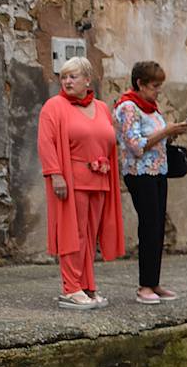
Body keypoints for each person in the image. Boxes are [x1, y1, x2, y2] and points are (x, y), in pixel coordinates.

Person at [38, 56, 124, 310]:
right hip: (70, 181)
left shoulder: (101, 107)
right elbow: (46, 143)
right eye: (63, 77)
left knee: (90, 235)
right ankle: (71, 288)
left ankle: (87, 285)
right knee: (72, 234)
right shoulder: (54, 107)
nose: (66, 81)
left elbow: (108, 142)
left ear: (88, 80)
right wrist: (55, 174)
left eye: (72, 76)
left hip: (99, 179)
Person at [112, 60, 187, 305]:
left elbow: (155, 139)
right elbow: (135, 146)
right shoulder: (128, 108)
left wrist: (170, 134)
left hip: (158, 172)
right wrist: (166, 131)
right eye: (155, 86)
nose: (158, 90)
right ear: (140, 84)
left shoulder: (151, 108)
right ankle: (144, 285)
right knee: (148, 227)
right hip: (139, 173)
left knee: (157, 228)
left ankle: (154, 281)